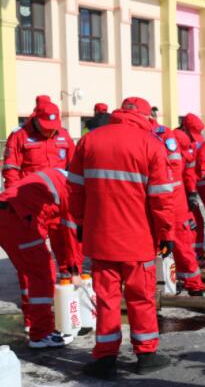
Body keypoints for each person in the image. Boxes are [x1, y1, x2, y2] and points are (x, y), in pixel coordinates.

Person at [68, 97, 174, 379]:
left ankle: (105, 359)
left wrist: (80, 222)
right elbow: (162, 199)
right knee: (141, 298)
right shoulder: (151, 144)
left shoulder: (89, 141)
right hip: (138, 240)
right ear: (143, 117)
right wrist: (167, 233)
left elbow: (75, 188)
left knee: (107, 300)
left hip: (101, 238)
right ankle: (146, 354)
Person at [0, 168, 80, 348]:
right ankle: (41, 334)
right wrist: (74, 270)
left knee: (29, 272)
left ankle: (32, 322)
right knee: (43, 273)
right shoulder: (71, 189)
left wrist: (68, 268)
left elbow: (59, 235)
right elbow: (70, 234)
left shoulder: (56, 181)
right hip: (18, 220)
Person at [2, 95, 78, 280]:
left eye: (53, 129)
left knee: (66, 243)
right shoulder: (19, 136)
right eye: (46, 129)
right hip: (32, 203)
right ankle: (38, 284)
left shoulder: (64, 134)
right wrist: (17, 204)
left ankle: (67, 280)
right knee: (34, 247)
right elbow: (11, 171)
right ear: (36, 118)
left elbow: (74, 167)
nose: (50, 133)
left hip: (59, 201)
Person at [153, 124, 205, 295]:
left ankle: (190, 284)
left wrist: (191, 192)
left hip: (173, 201)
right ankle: (170, 283)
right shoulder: (170, 138)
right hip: (169, 201)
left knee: (181, 244)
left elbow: (188, 169)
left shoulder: (177, 140)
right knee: (169, 244)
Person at [174, 113, 205, 260]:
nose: (194, 140)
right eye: (192, 135)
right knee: (184, 227)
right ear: (185, 128)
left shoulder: (190, 145)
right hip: (173, 192)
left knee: (196, 221)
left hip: (184, 190)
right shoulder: (172, 142)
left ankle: (194, 255)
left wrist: (192, 191)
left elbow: (189, 171)